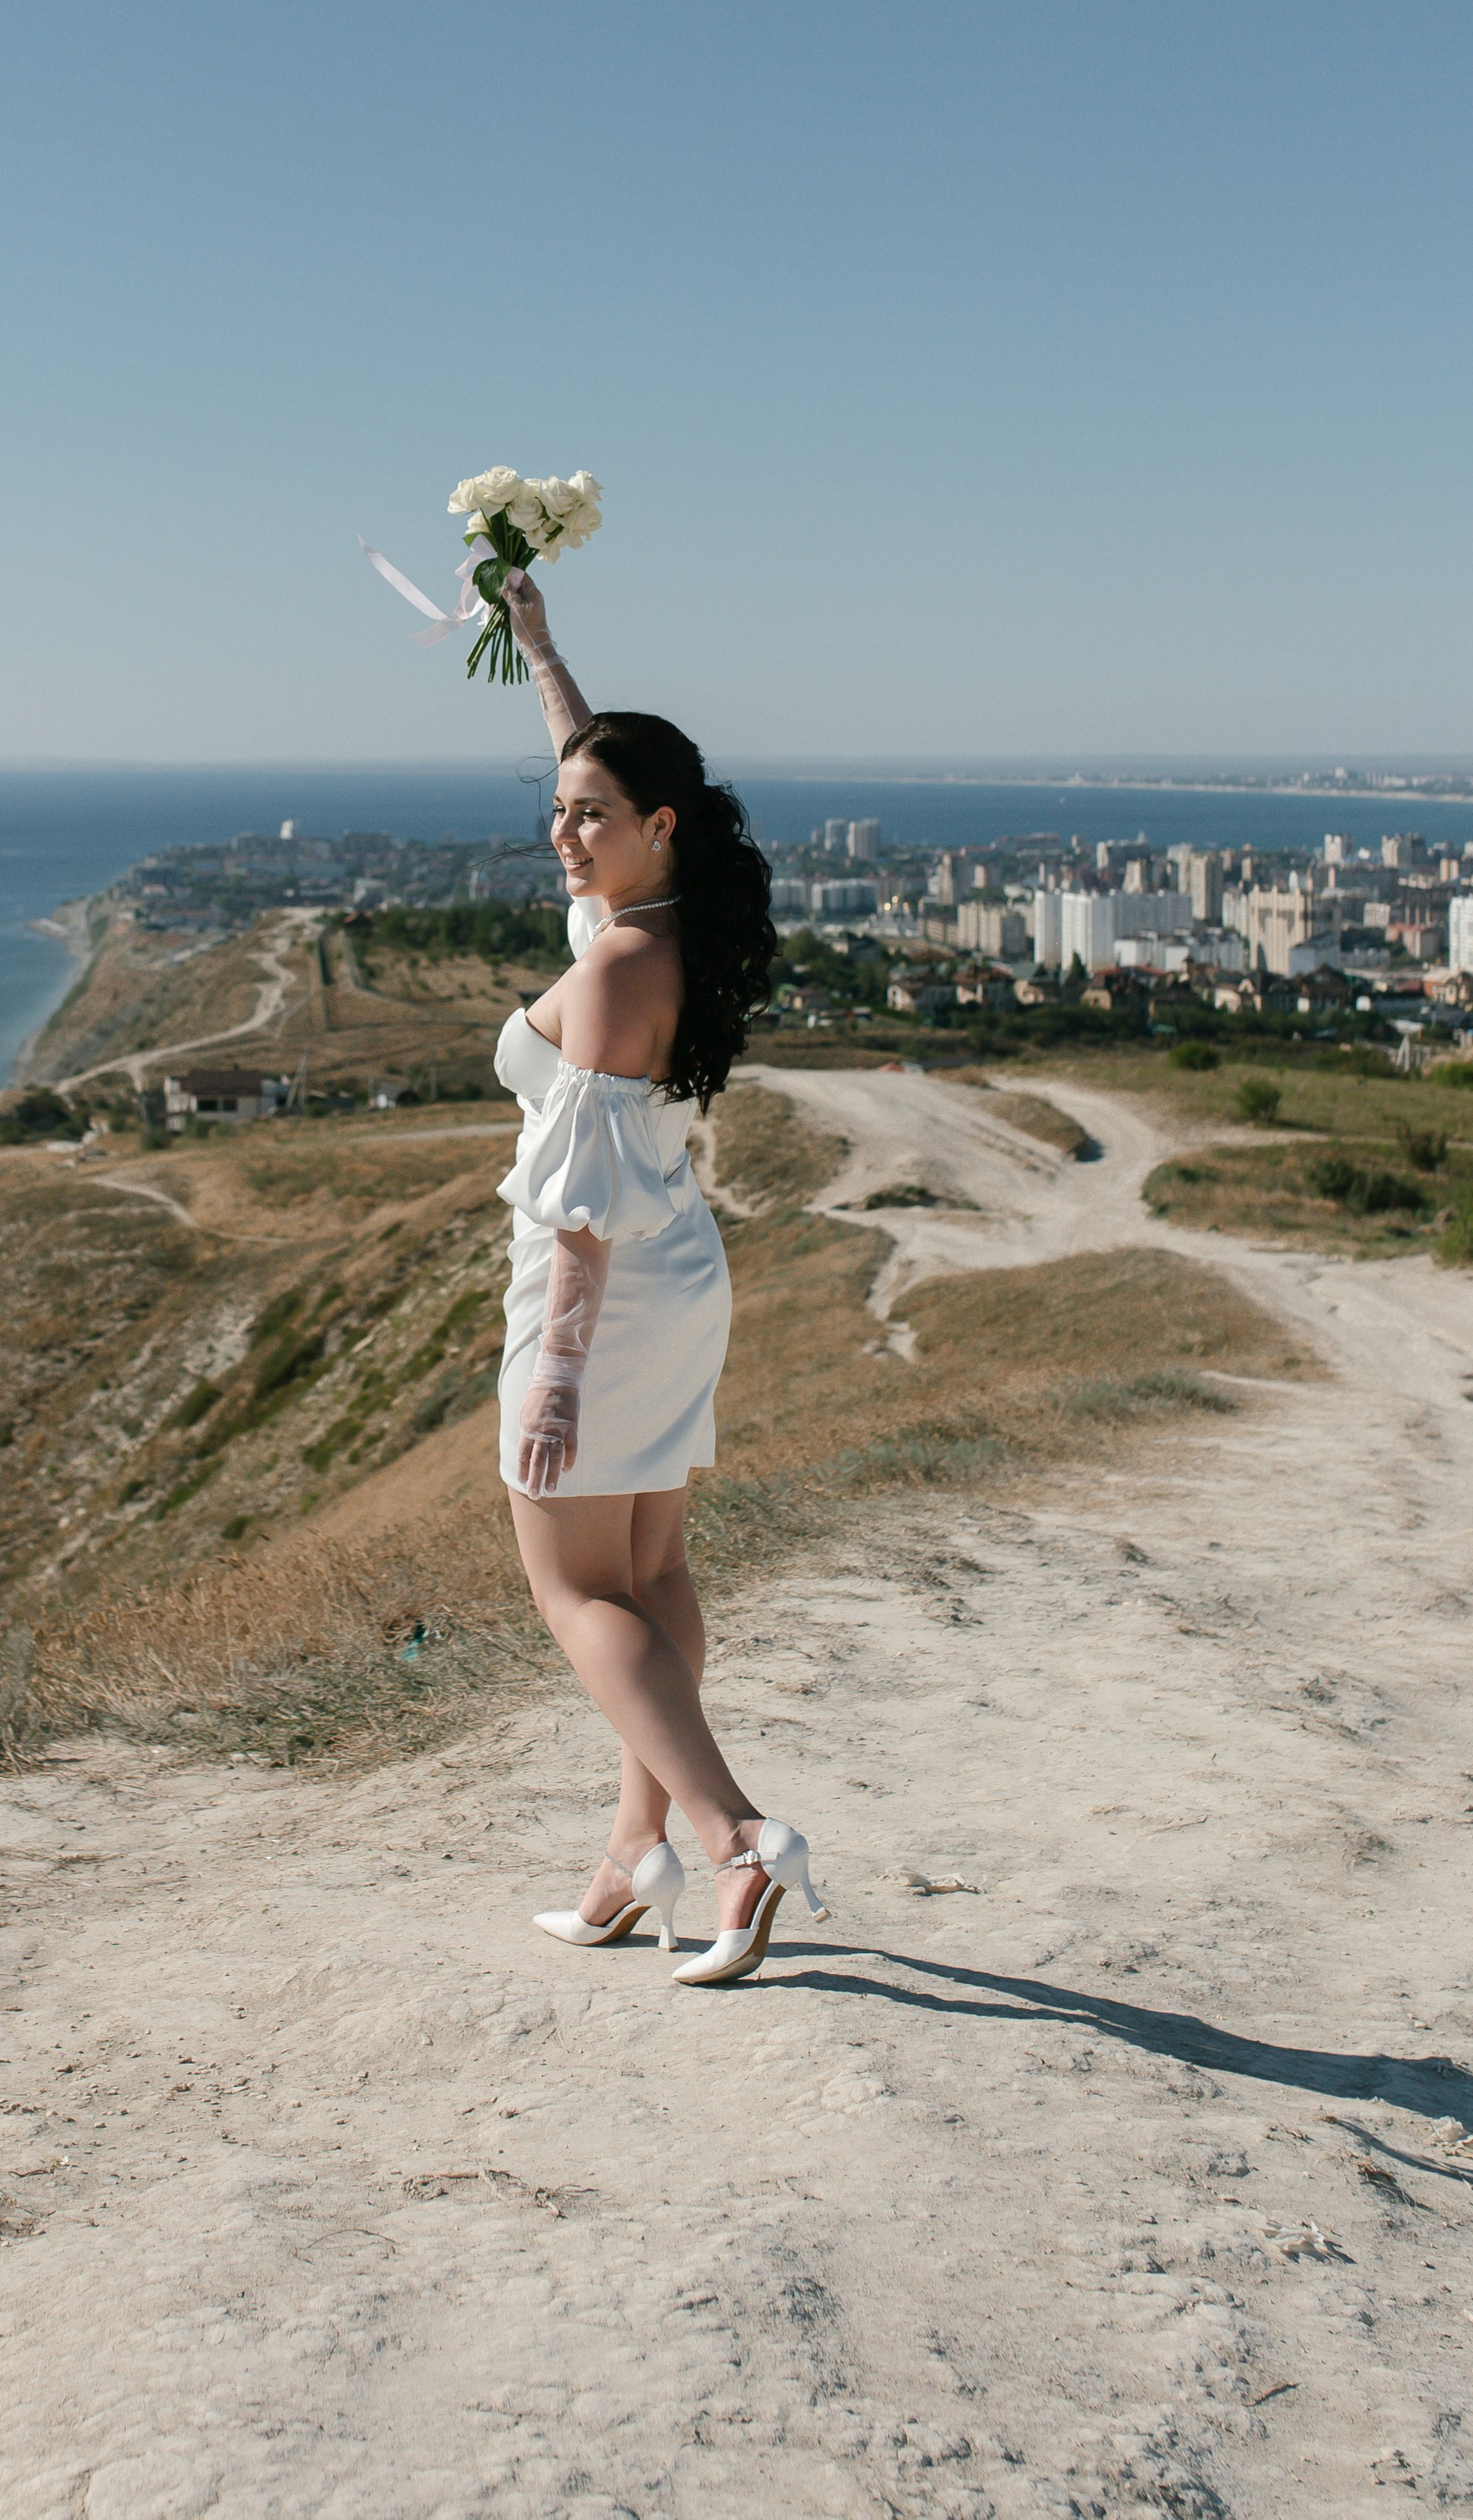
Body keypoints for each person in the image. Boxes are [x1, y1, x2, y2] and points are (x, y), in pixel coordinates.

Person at [488, 566, 829, 1985]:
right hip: (677, 1271)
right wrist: (544, 651)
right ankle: (637, 1859)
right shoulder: (672, 915)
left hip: (604, 1290)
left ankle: (736, 1841)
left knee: (574, 1590)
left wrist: (556, 1374)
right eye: (558, 809)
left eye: (590, 817)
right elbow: (610, 774)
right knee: (651, 1567)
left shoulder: (622, 965)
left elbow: (573, 1208)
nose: (565, 831)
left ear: (660, 827)